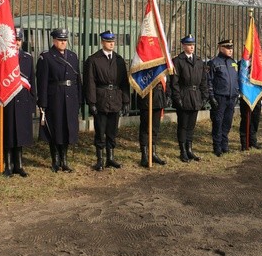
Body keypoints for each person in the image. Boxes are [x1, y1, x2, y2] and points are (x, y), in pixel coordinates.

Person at [83, 30, 130, 171]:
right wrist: (92, 102)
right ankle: (100, 160)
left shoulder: (119, 60)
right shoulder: (93, 60)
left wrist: (126, 101)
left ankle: (111, 158)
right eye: (108, 41)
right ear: (102, 42)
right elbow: (89, 82)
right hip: (101, 99)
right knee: (100, 130)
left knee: (112, 130)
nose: (111, 44)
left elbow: (124, 82)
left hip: (115, 98)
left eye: (113, 41)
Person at [36, 28, 82, 172]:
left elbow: (78, 79)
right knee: (56, 129)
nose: (63, 42)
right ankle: (55, 160)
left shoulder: (73, 56)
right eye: (60, 40)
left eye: (65, 40)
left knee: (68, 128)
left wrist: (79, 98)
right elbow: (42, 82)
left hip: (71, 96)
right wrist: (42, 103)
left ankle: (65, 159)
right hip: (55, 97)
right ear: (54, 40)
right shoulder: (47, 57)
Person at [2, 27, 37, 177]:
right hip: (8, 99)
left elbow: (32, 81)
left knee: (21, 133)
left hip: (23, 99)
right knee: (8, 132)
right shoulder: (3, 57)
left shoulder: (28, 58)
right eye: (14, 40)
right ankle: (8, 165)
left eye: (18, 40)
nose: (16, 42)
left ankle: (19, 165)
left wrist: (32, 101)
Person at [170, 34, 209, 163]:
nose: (191, 47)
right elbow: (174, 82)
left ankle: (190, 149)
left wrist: (204, 96)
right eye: (189, 45)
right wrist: (178, 98)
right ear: (183, 45)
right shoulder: (178, 61)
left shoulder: (198, 61)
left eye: (193, 45)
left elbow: (203, 80)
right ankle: (183, 151)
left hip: (196, 95)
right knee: (183, 125)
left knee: (191, 125)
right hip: (184, 94)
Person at [207, 39, 239, 157]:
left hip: (231, 97)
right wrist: (211, 96)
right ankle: (217, 147)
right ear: (220, 48)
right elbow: (209, 81)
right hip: (219, 97)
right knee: (218, 122)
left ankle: (225, 145)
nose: (230, 50)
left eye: (231, 48)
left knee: (227, 122)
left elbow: (236, 79)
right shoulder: (214, 62)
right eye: (227, 48)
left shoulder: (233, 62)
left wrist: (237, 92)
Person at [136, 79, 169, 166]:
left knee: (155, 128)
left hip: (158, 96)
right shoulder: (143, 64)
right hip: (146, 96)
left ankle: (153, 154)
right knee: (145, 128)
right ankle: (144, 156)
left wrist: (167, 94)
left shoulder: (160, 65)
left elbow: (166, 78)